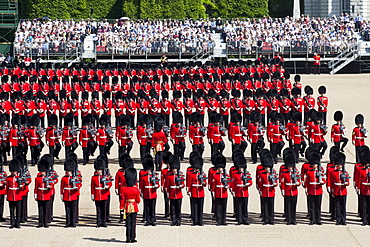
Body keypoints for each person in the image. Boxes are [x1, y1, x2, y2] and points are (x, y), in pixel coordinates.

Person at [304, 151, 326, 225]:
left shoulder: (321, 170)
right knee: (312, 206)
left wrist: (322, 182)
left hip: (318, 190)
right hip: (311, 190)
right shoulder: (309, 171)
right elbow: (307, 181)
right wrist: (306, 189)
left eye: (316, 164)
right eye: (313, 164)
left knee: (318, 206)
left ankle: (318, 219)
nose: (314, 165)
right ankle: (312, 219)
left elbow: (324, 179)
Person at [34, 155, 55, 228]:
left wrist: (49, 187)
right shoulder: (37, 178)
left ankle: (45, 222)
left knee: (46, 210)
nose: (43, 172)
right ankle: (40, 222)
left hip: (46, 194)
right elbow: (36, 187)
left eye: (44, 171)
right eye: (42, 170)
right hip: (40, 194)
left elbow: (52, 184)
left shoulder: (49, 177)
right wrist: (35, 194)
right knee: (40, 210)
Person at [280, 152, 301, 225]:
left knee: (293, 206)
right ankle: (289, 220)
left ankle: (293, 219)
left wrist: (298, 183)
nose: (290, 167)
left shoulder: (296, 172)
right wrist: (282, 190)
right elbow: (282, 182)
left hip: (294, 191)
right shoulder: (285, 173)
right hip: (288, 191)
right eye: (289, 166)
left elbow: (299, 179)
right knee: (288, 206)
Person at [91, 156, 112, 227]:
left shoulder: (106, 176)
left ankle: (104, 222)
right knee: (98, 210)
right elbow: (92, 187)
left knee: (104, 209)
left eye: (100, 169)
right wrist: (92, 195)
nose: (99, 171)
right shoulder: (94, 177)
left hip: (104, 194)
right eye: (98, 169)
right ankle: (99, 222)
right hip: (97, 194)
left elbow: (110, 183)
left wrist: (107, 186)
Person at [329, 152, 350, 225]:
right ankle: (338, 220)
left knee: (343, 207)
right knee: (337, 207)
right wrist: (332, 191)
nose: (339, 166)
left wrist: (346, 183)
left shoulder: (345, 172)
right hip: (336, 191)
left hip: (343, 191)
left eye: (340, 165)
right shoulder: (333, 173)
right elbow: (332, 183)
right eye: (338, 165)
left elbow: (348, 182)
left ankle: (343, 220)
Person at [230, 155, 252, 225]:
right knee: (239, 207)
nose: (240, 169)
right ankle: (239, 220)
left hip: (245, 192)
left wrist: (248, 184)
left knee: (244, 207)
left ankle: (245, 219)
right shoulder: (236, 174)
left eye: (242, 168)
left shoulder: (247, 174)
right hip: (238, 192)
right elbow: (233, 183)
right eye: (239, 168)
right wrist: (233, 191)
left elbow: (250, 181)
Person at [121, 168, 140, 243]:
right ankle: (132, 237)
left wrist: (121, 208)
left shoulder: (124, 189)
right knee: (133, 223)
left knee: (128, 223)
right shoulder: (136, 189)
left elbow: (122, 199)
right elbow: (138, 200)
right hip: (134, 207)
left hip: (127, 207)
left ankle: (128, 238)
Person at [61, 158, 81, 227]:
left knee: (73, 210)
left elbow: (79, 184)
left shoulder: (75, 177)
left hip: (73, 194)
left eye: (69, 170)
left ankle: (73, 223)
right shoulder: (64, 178)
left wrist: (77, 188)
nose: (68, 172)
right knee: (68, 210)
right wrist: (61, 194)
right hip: (66, 195)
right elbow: (62, 187)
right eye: (67, 170)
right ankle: (68, 223)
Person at [165, 155, 185, 226]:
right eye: (173, 168)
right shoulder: (168, 174)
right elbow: (166, 184)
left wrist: (181, 185)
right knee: (172, 208)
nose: (174, 170)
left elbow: (183, 184)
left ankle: (178, 220)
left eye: (175, 169)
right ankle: (173, 220)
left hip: (178, 193)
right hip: (172, 193)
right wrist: (167, 192)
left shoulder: (180, 174)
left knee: (178, 208)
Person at [187, 156, 207, 226]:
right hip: (194, 191)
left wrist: (203, 183)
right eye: (196, 168)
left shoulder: (203, 174)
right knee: (194, 207)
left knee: (200, 207)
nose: (197, 169)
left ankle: (200, 221)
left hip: (200, 192)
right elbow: (189, 183)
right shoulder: (191, 174)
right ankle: (195, 221)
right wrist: (189, 191)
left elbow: (205, 184)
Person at [139, 158, 159, 226]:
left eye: (149, 169)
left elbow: (157, 183)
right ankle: (147, 220)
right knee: (147, 208)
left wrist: (156, 185)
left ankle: (152, 220)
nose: (148, 171)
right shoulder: (143, 176)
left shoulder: (155, 175)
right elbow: (141, 184)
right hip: (146, 193)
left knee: (152, 208)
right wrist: (141, 192)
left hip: (153, 193)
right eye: (147, 169)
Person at [6, 159, 23, 228]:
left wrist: (21, 186)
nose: (14, 172)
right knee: (12, 210)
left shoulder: (19, 178)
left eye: (15, 171)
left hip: (17, 195)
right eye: (13, 171)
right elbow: (7, 188)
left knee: (18, 210)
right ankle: (12, 223)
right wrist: (7, 196)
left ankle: (18, 223)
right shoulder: (8, 178)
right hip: (11, 195)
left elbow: (22, 187)